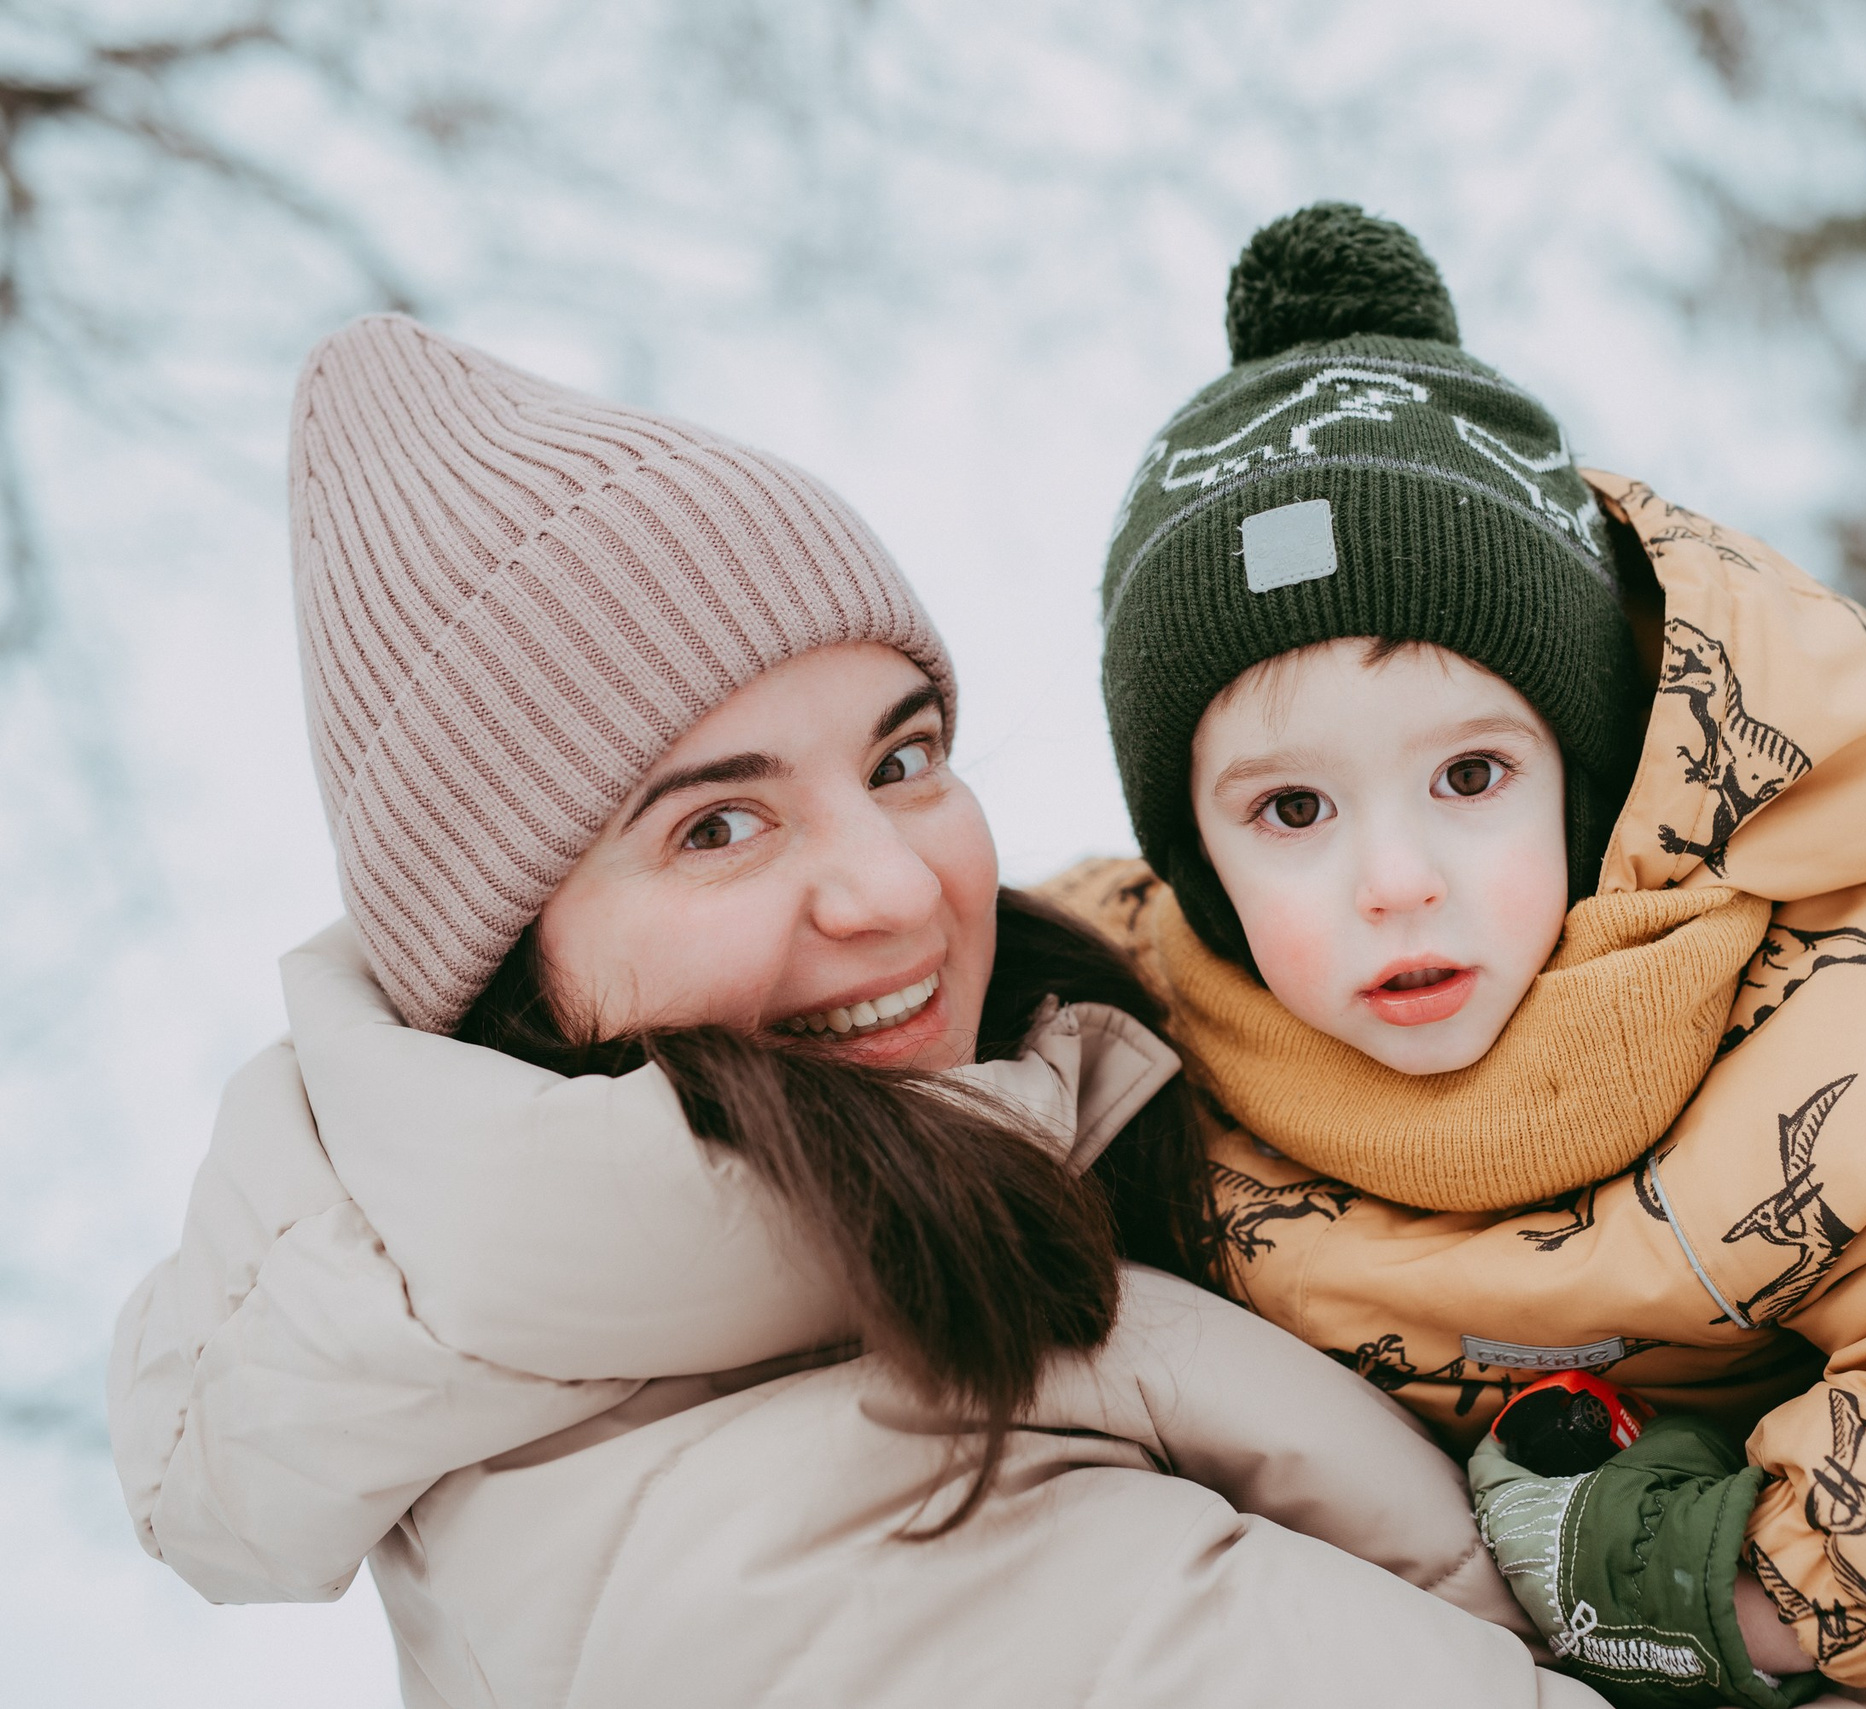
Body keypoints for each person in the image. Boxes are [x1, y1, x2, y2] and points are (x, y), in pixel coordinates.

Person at [104, 314, 1606, 1708]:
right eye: (716, 828)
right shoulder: (812, 1560)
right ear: (507, 972)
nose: (891, 889)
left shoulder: (928, 1205)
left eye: (900, 760)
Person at [1046, 204, 1866, 1705]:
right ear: (1195, 861)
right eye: (1292, 808)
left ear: (1591, 780)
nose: (1393, 882)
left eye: (1470, 779)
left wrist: (1689, 1583)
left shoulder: (1825, 987)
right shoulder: (1125, 1035)